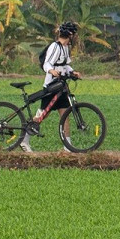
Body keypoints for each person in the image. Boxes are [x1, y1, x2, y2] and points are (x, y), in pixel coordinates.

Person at [21, 22, 81, 152]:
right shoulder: (55, 46)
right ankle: (24, 140)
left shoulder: (65, 48)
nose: (75, 37)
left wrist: (72, 72)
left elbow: (65, 65)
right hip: (52, 86)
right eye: (74, 35)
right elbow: (47, 63)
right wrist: (52, 71)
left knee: (65, 115)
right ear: (69, 35)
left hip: (61, 87)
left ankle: (67, 147)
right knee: (41, 116)